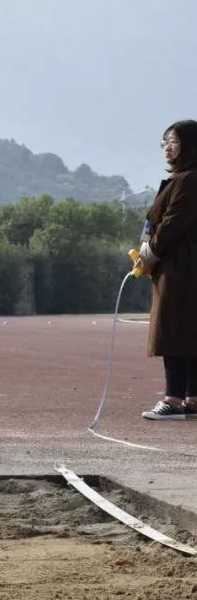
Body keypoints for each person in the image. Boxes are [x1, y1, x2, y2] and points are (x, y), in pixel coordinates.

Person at [137, 120, 197, 420]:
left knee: (173, 331)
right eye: (165, 142)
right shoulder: (182, 179)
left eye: (174, 141)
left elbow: (173, 223)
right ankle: (192, 398)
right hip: (181, 267)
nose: (168, 148)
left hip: (181, 268)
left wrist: (150, 253)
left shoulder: (189, 180)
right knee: (188, 331)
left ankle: (173, 399)